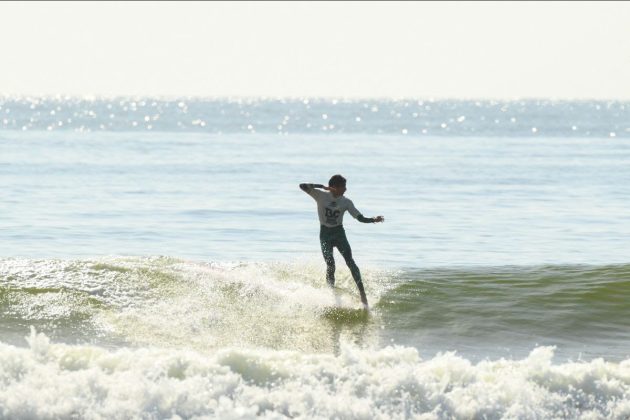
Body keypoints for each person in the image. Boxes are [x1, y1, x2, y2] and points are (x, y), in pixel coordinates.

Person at [300, 174, 384, 308]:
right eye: (343, 187)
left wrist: (373, 219)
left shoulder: (346, 202)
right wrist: (322, 187)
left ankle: (362, 294)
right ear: (335, 187)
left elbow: (359, 218)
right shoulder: (320, 195)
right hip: (325, 235)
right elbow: (302, 186)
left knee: (350, 262)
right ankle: (330, 294)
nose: (345, 189)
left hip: (339, 234)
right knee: (330, 265)